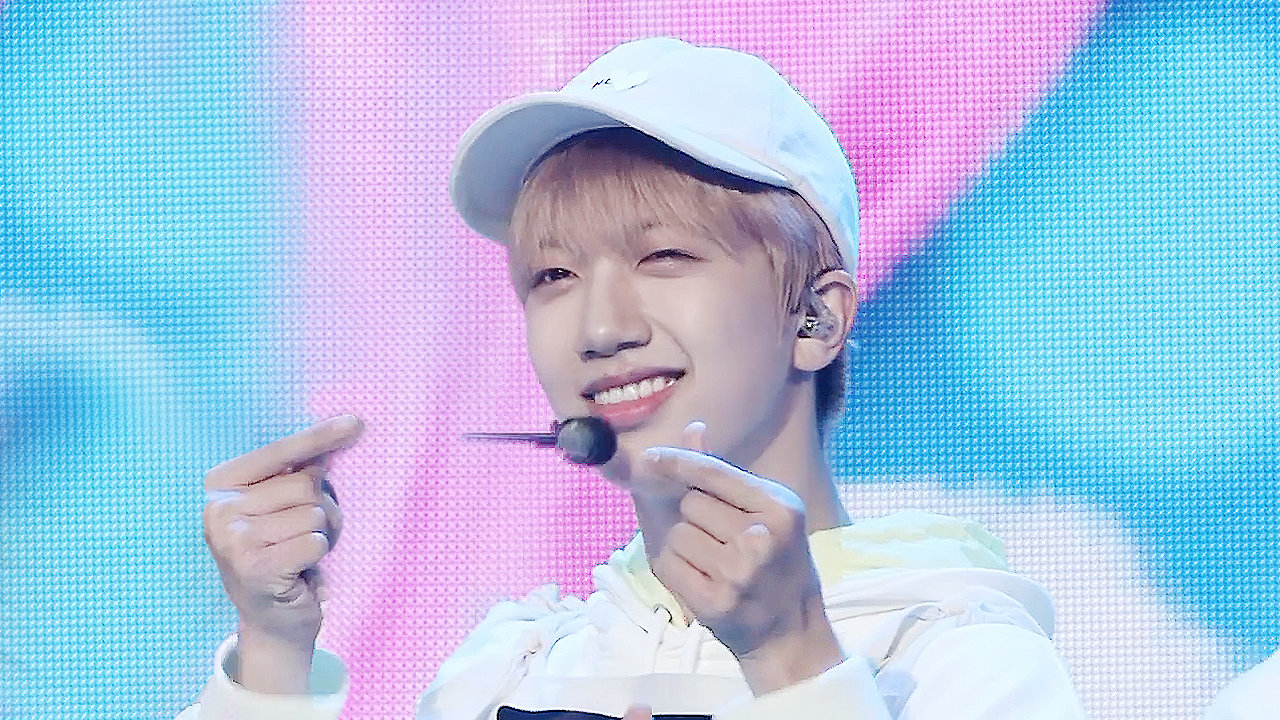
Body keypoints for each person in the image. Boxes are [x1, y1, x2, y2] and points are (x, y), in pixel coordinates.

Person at [181, 37, 1085, 719]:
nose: (602, 328)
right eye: (554, 276)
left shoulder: (959, 662)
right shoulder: (513, 671)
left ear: (816, 317)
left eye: (664, 257)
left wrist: (794, 665)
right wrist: (272, 655)